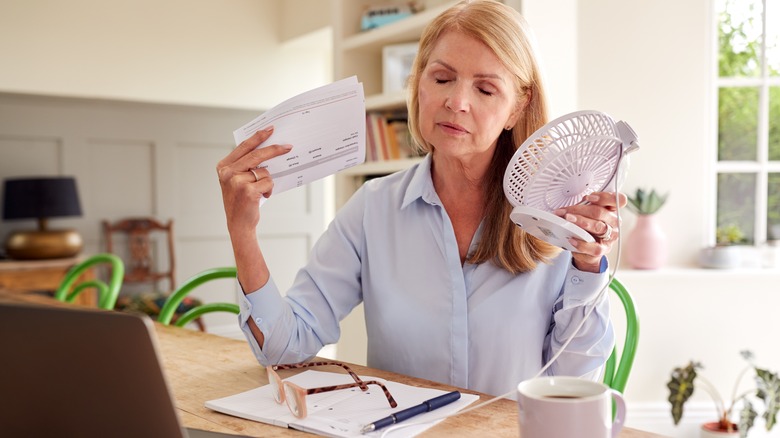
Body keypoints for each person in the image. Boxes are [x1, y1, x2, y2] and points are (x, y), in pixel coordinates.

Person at [216, 0, 626, 398]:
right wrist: (243, 230)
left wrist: (587, 266)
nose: (456, 102)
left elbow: (575, 379)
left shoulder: (553, 216)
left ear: (518, 108)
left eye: (485, 89)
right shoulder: (372, 208)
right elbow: (284, 348)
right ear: (418, 84)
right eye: (442, 78)